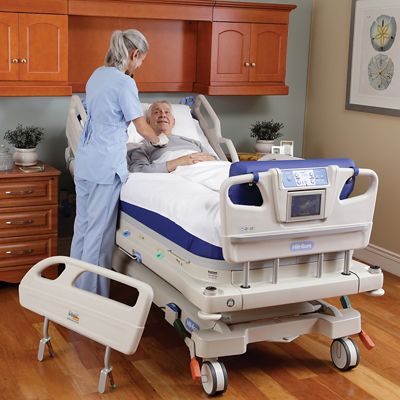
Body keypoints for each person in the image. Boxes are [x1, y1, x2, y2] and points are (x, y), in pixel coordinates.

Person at [70, 29, 167, 297]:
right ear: (134, 54)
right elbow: (142, 127)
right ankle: (90, 298)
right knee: (99, 236)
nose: (140, 65)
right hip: (105, 167)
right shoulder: (125, 83)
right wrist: (161, 140)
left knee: (82, 228)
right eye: (141, 60)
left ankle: (73, 288)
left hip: (86, 161)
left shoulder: (96, 75)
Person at [127, 101, 215, 173]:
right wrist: (180, 162)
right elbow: (138, 170)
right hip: (180, 175)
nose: (163, 115)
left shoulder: (194, 142)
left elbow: (216, 161)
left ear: (173, 121)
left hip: (208, 169)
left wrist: (211, 159)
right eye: (156, 112)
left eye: (167, 112)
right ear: (148, 121)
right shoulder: (143, 146)